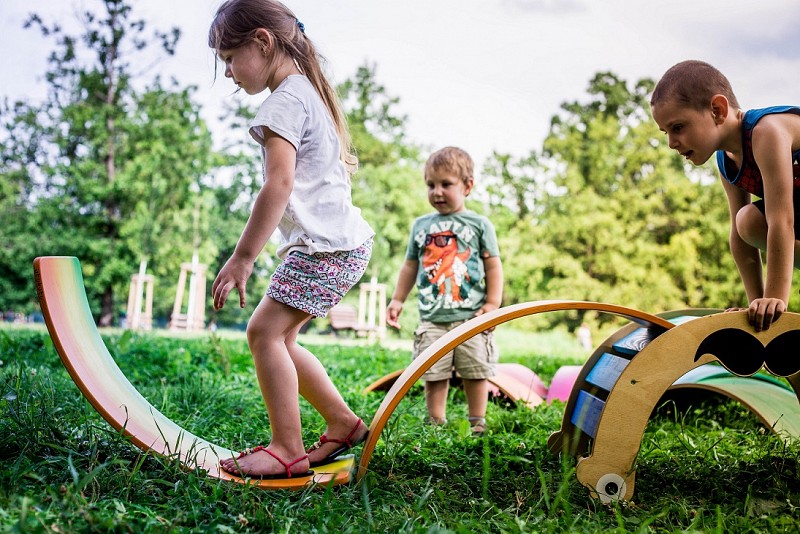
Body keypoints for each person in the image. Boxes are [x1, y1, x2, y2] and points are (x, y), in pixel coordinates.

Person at [208, 0, 373, 479]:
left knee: (263, 334)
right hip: (341, 245)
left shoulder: (284, 101)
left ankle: (287, 448)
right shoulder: (306, 92)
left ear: (262, 41)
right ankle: (342, 423)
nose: (230, 74)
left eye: (229, 59)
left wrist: (242, 258)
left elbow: (277, 185)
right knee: (282, 339)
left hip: (326, 248)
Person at [650, 60, 800, 332]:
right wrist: (757, 306)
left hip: (789, 218)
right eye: (666, 133)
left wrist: (776, 299)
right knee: (746, 222)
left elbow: (783, 221)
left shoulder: (766, 133)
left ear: (717, 110)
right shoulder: (726, 161)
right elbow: (739, 237)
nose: (671, 142)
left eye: (678, 127)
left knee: (760, 220)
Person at [386, 147, 503, 435]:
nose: (437, 192)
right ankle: (435, 422)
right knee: (433, 371)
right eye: (431, 185)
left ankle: (478, 421)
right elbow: (410, 265)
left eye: (446, 184)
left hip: (472, 317)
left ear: (467, 186)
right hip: (432, 317)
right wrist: (398, 298)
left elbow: (493, 266)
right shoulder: (421, 225)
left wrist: (492, 304)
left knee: (475, 370)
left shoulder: (479, 224)